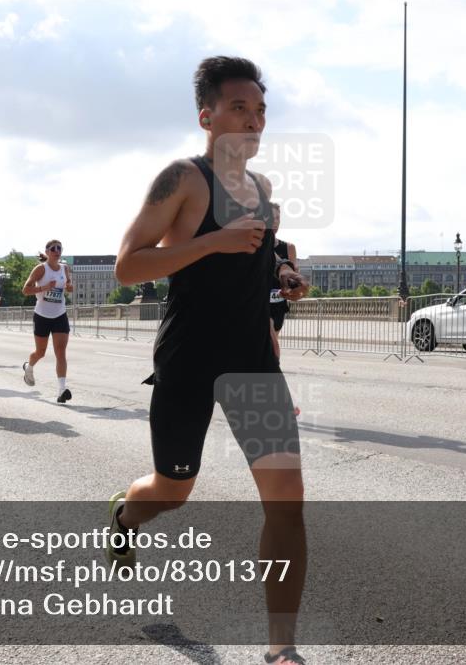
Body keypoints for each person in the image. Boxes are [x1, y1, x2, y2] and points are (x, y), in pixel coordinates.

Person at [109, 57, 310, 665]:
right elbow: (127, 265)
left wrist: (283, 273)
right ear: (207, 115)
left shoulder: (265, 191)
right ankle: (124, 515)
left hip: (252, 360)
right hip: (189, 358)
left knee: (287, 501)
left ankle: (281, 648)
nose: (254, 121)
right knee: (173, 490)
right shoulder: (184, 179)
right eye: (240, 109)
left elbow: (258, 257)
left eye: (261, 110)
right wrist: (213, 241)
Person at [21, 240, 75, 403]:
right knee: (41, 352)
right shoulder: (40, 269)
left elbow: (68, 285)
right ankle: (28, 367)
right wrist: (44, 288)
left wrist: (69, 287)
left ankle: (61, 390)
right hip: (42, 316)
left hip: (60, 315)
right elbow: (25, 290)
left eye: (59, 248)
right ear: (47, 251)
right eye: (53, 248)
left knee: (60, 352)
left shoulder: (65, 268)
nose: (57, 250)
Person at [267, 203, 298, 360]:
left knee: (272, 344)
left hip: (279, 304)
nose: (275, 222)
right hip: (259, 303)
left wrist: (292, 288)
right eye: (271, 217)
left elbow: (293, 277)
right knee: (272, 347)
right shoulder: (251, 245)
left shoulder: (289, 248)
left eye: (278, 218)